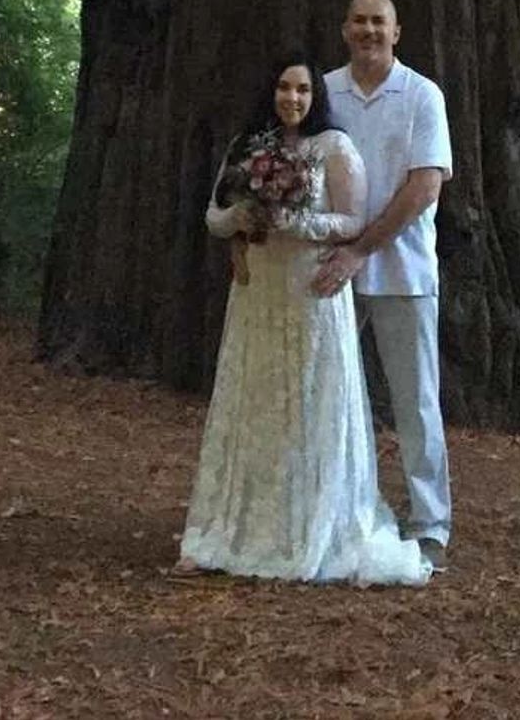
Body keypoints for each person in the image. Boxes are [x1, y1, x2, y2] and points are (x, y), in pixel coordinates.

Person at [176, 57, 428, 585]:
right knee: (258, 401)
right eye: (284, 87)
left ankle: (310, 525)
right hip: (259, 294)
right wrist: (241, 218)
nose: (292, 98)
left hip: (312, 292)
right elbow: (214, 215)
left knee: (311, 403)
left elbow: (350, 220)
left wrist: (293, 219)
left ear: (316, 97)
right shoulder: (248, 148)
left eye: (303, 89)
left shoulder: (335, 147)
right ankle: (230, 529)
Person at [318, 0, 453, 570]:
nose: (370, 30)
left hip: (404, 270)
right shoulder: (322, 92)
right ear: (344, 29)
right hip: (327, 272)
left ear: (397, 32)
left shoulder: (422, 95)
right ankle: (334, 510)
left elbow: (425, 186)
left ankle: (430, 525)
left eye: (381, 22)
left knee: (414, 400)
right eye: (360, 21)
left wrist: (361, 248)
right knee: (328, 395)